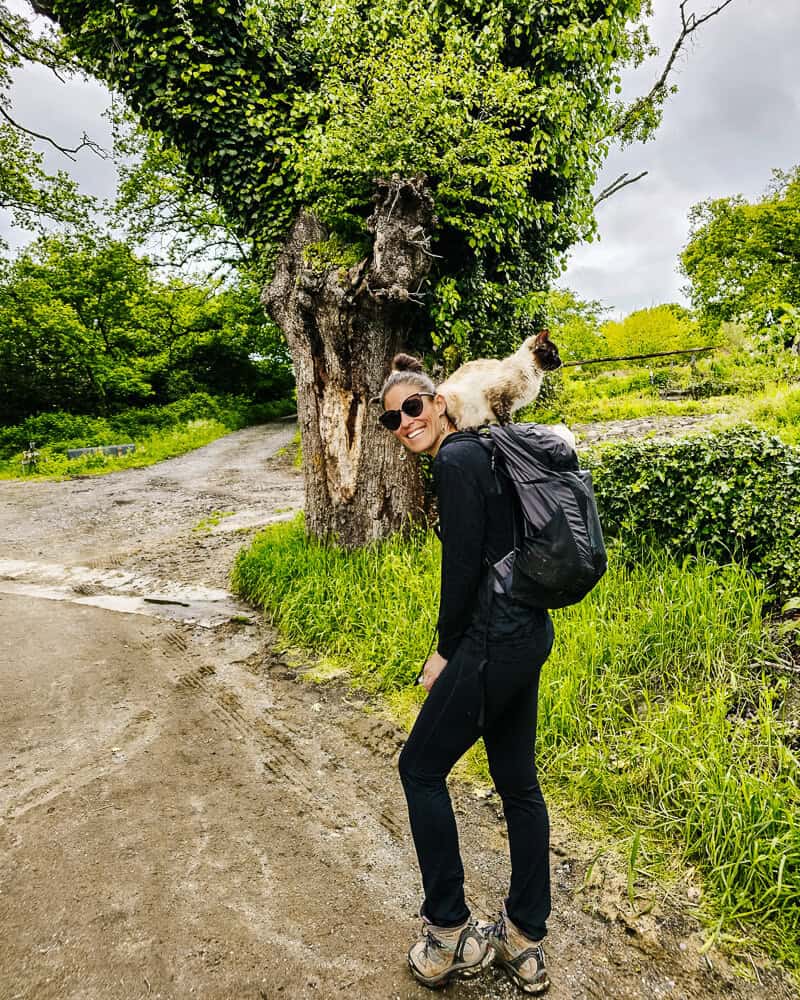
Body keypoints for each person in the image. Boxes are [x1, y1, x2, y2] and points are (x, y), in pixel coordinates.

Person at [376, 354, 555, 994]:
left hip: (488, 640)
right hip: (529, 633)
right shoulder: (493, 449)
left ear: (441, 402)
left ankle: (449, 931)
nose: (403, 422)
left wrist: (445, 648)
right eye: (391, 417)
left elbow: (463, 570)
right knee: (517, 783)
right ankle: (525, 940)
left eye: (413, 407)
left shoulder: (455, 460)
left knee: (419, 768)